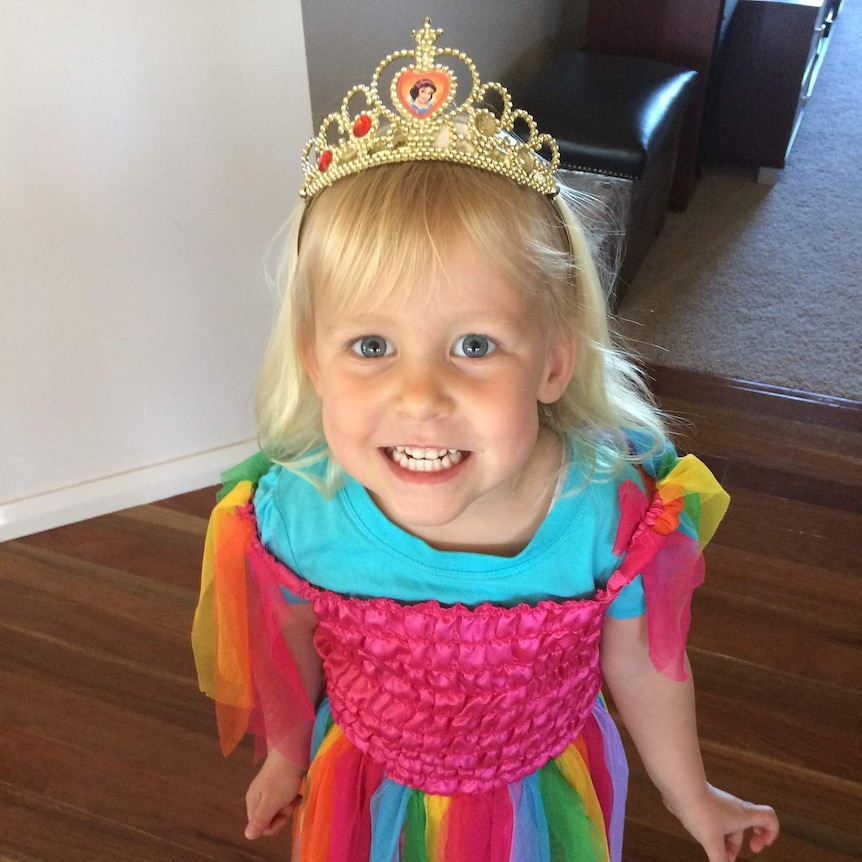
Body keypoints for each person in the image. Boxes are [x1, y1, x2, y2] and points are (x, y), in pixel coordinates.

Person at [192, 20, 780, 862]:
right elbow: (286, 637)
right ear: (314, 365)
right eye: (370, 347)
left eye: (474, 346)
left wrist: (693, 799)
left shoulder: (608, 517)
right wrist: (288, 754)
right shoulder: (294, 511)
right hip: (366, 793)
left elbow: (648, 668)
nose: (421, 396)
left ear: (552, 361)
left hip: (544, 795)